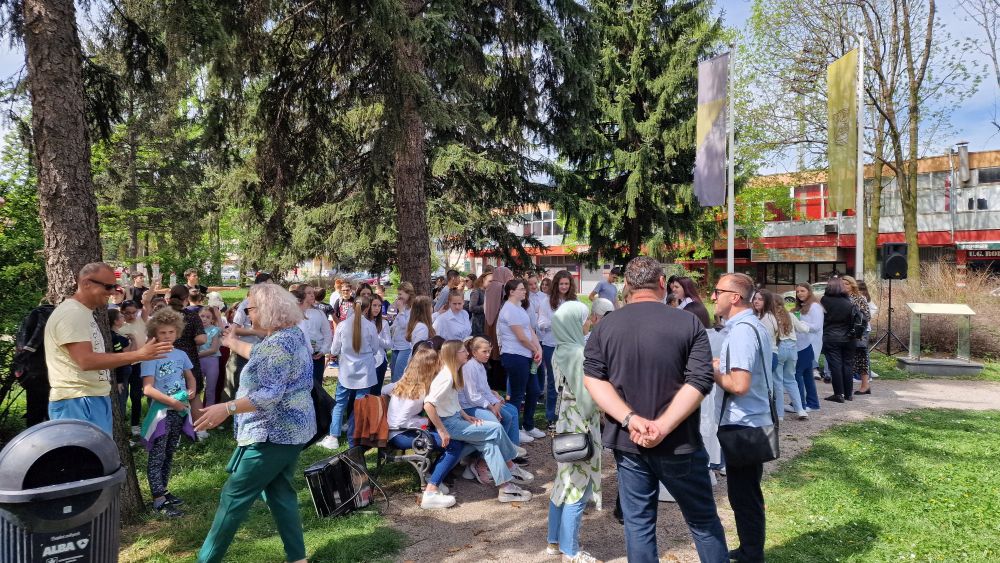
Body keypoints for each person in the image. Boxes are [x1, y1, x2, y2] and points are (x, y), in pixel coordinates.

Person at [583, 256, 727, 563]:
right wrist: (661, 425)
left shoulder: (606, 325)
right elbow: (700, 380)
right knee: (702, 522)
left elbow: (593, 379)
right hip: (678, 442)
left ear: (627, 286)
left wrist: (631, 419)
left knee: (639, 525)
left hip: (630, 440)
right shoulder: (687, 322)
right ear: (662, 283)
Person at [194, 283, 314, 563]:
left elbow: (269, 395)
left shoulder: (279, 343)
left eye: (250, 308)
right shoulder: (289, 334)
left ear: (267, 309)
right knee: (280, 493)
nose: (247, 314)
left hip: (272, 433)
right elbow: (262, 356)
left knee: (233, 496)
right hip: (289, 432)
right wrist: (232, 342)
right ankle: (298, 558)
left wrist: (226, 408)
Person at [44, 262, 173, 435]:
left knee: (97, 451)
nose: (113, 292)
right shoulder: (72, 314)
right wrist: (138, 355)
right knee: (83, 453)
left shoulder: (83, 312)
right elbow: (86, 361)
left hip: (91, 398)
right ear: (86, 283)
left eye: (115, 287)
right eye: (108, 287)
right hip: (77, 400)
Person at [711, 272, 774, 563]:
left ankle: (752, 553)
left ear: (734, 297)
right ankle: (749, 548)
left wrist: (713, 371)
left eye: (718, 291)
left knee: (745, 495)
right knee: (743, 493)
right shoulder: (752, 325)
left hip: (744, 423)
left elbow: (739, 385)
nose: (713, 296)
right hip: (751, 420)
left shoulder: (742, 331)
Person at [423, 340, 534, 503]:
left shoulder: (453, 373)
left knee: (489, 444)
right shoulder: (446, 377)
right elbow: (428, 404)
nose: (467, 353)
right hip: (450, 425)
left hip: (456, 419)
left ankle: (506, 489)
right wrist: (441, 430)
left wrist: (465, 416)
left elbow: (452, 401)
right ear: (453, 355)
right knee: (495, 428)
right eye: (463, 351)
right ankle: (511, 463)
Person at [546, 301, 602, 563]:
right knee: (578, 487)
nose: (588, 322)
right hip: (581, 423)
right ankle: (570, 551)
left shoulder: (559, 350)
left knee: (563, 482)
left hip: (565, 422)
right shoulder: (578, 353)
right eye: (585, 318)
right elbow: (587, 398)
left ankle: (554, 540)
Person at [384, 345, 462, 509]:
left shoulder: (404, 382)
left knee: (447, 440)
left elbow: (384, 390)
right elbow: (402, 421)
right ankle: (432, 487)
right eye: (438, 363)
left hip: (396, 432)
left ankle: (433, 477)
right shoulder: (419, 390)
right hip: (402, 434)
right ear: (430, 366)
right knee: (453, 445)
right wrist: (424, 422)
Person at [140, 308, 198, 517]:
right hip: (161, 413)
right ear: (154, 333)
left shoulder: (181, 354)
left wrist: (192, 390)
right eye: (162, 332)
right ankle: (158, 500)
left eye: (171, 332)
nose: (167, 336)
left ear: (177, 332)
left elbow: (190, 377)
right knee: (157, 455)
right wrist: (173, 402)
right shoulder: (150, 356)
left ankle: (163, 490)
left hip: (179, 411)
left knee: (169, 452)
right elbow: (148, 389)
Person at [321, 295, 378, 450]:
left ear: (353, 306)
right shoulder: (370, 326)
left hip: (346, 370)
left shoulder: (342, 325)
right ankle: (354, 437)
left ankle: (334, 436)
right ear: (367, 308)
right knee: (359, 406)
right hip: (365, 371)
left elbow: (334, 350)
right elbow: (375, 349)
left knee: (340, 403)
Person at [497, 278, 545, 443]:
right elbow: (521, 337)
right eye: (521, 289)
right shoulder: (508, 310)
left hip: (526, 355)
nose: (525, 291)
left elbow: (529, 330)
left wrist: (538, 349)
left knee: (534, 390)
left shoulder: (520, 308)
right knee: (517, 394)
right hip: (514, 355)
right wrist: (534, 349)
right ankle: (514, 430)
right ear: (511, 292)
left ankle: (528, 425)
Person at [459, 337, 522, 450]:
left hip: (479, 403)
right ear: (474, 352)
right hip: (469, 407)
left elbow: (486, 390)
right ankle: (501, 451)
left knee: (510, 412)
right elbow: (472, 397)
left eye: (489, 351)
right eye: (484, 351)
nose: (488, 355)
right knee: (503, 419)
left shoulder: (480, 365)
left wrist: (496, 402)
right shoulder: (469, 367)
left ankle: (510, 448)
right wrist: (491, 406)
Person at [537, 269, 577, 428]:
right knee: (554, 383)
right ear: (556, 285)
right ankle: (552, 417)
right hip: (551, 346)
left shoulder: (574, 302)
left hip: (570, 346)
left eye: (567, 284)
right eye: (561, 284)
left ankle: (568, 416)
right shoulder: (546, 301)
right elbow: (541, 324)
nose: (564, 286)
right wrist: (557, 321)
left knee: (570, 383)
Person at [766, 293, 810, 420]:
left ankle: (779, 414)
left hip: (779, 348)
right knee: (791, 380)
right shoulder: (790, 315)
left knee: (778, 382)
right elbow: (804, 329)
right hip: (792, 348)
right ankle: (800, 409)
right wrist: (804, 323)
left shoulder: (770, 317)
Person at [167, 285, 208, 424]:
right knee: (194, 393)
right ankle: (200, 428)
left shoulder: (163, 315)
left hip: (166, 356)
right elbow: (201, 339)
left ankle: (169, 428)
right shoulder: (191, 315)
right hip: (188, 357)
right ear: (186, 298)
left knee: (167, 391)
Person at [231, 273, 273, 392]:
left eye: (272, 286)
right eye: (267, 286)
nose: (271, 289)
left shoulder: (274, 304)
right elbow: (234, 329)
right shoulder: (246, 304)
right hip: (246, 352)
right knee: (244, 387)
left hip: (267, 351)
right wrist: (255, 332)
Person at [820, 277, 857, 403]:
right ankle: (848, 394)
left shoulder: (825, 300)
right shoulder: (848, 301)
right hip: (850, 337)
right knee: (848, 365)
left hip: (832, 337)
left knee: (835, 366)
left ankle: (838, 394)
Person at [293, 285, 333, 387]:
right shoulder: (294, 314)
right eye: (309, 293)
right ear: (301, 295)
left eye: (313, 293)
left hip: (317, 356)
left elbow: (327, 333)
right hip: (300, 357)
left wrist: (323, 350)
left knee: (316, 386)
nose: (312, 295)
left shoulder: (319, 313)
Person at [483, 266, 515, 390]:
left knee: (491, 353)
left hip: (488, 322)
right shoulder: (502, 287)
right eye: (509, 275)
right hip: (499, 321)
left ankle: (491, 384)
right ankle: (500, 385)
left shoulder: (489, 286)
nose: (511, 278)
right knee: (498, 352)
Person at [793, 283, 824, 411]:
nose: (800, 293)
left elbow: (817, 326)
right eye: (798, 291)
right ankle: (812, 403)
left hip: (809, 344)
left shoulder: (815, 306)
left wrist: (800, 324)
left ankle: (800, 403)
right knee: (807, 375)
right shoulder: (801, 306)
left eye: (802, 291)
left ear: (809, 292)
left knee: (797, 373)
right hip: (800, 344)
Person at [842, 276, 873, 395]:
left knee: (861, 358)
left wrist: (855, 320)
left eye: (847, 284)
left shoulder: (859, 298)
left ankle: (865, 386)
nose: (844, 286)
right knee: (847, 359)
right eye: (842, 284)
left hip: (859, 333)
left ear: (852, 285)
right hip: (844, 332)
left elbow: (867, 316)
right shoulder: (840, 298)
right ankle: (846, 386)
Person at [396, 295, 435, 373]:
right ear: (425, 309)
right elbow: (418, 349)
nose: (432, 309)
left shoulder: (420, 324)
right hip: (419, 365)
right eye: (431, 306)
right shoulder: (422, 327)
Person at [388, 282, 415, 380]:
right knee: (393, 374)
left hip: (405, 347)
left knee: (398, 376)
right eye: (398, 294)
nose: (398, 296)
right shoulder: (403, 307)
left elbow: (405, 326)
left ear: (408, 294)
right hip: (396, 345)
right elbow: (395, 324)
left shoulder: (412, 309)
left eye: (400, 294)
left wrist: (401, 311)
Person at [198, 307, 224, 408]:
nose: (204, 319)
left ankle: (209, 412)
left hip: (212, 361)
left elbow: (213, 349)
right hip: (198, 362)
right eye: (202, 316)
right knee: (196, 389)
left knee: (210, 389)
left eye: (208, 317)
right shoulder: (195, 330)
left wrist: (196, 355)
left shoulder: (214, 330)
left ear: (212, 319)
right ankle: (195, 411)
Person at [368, 294, 392, 395]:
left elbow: (388, 344)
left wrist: (375, 336)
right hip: (363, 361)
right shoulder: (362, 321)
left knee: (374, 394)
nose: (377, 308)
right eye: (374, 305)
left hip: (379, 360)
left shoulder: (383, 323)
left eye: (379, 306)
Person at [469, 266, 493, 337]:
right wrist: (484, 307)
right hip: (478, 325)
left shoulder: (489, 291)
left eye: (493, 282)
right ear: (483, 280)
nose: (492, 284)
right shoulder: (476, 291)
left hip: (487, 324)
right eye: (490, 281)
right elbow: (471, 308)